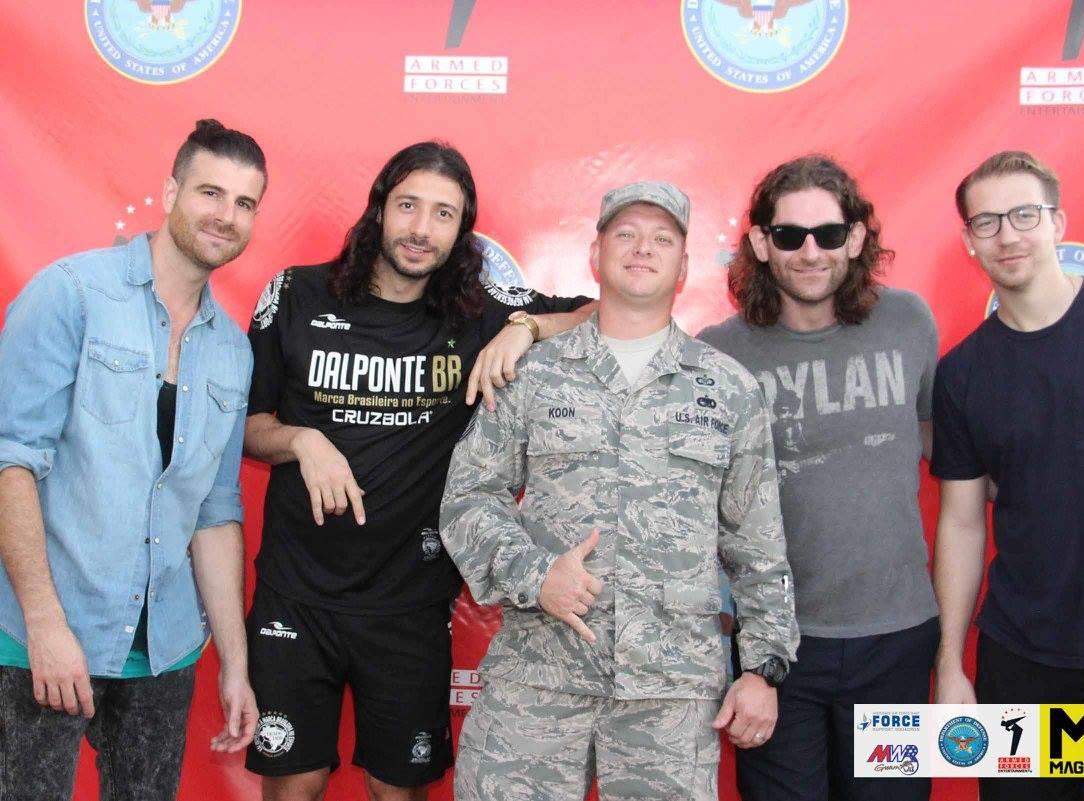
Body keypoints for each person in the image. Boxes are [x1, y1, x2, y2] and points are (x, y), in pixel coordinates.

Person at [242, 141, 593, 801]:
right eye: (408, 206)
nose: (421, 228)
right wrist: (302, 440)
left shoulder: (477, 312)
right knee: (295, 782)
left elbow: (605, 312)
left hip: (410, 601)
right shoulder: (296, 293)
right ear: (379, 209)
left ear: (462, 232)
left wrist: (524, 328)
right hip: (296, 593)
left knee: (396, 788)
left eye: (443, 214)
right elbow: (246, 426)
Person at [440, 181, 799, 801]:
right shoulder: (533, 374)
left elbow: (758, 544)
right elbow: (469, 496)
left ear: (683, 267)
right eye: (626, 233)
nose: (642, 248)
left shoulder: (728, 389)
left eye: (663, 239)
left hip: (670, 696)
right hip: (539, 680)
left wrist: (763, 669)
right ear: (595, 253)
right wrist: (536, 574)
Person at [0, 119, 265, 801]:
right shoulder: (71, 293)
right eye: (211, 192)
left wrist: (235, 664)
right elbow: (10, 464)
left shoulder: (233, 351)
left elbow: (215, 511)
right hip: (44, 638)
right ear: (171, 192)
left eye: (244, 203)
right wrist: (45, 625)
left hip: (164, 650)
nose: (226, 215)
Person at [699, 155, 939, 801]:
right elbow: (695, 505)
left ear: (855, 238)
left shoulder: (909, 322)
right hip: (776, 651)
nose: (810, 252)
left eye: (828, 234)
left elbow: (942, 444)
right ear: (760, 243)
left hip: (897, 639)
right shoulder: (718, 354)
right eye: (789, 235)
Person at [931, 150, 1084, 800]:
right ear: (969, 240)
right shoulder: (962, 374)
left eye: (1024, 214)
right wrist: (949, 663)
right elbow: (962, 523)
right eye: (987, 221)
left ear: (1058, 222)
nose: (1008, 235)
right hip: (1028, 666)